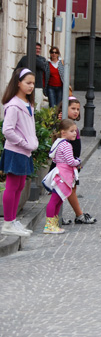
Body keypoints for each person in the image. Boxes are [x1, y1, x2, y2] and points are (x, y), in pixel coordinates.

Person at [0, 69, 38, 237]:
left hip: (25, 151)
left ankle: (12, 219)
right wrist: (23, 143)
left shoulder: (27, 104)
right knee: (13, 186)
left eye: (33, 83)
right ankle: (8, 223)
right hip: (16, 151)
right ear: (18, 83)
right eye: (28, 83)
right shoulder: (14, 105)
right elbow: (7, 130)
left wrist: (31, 143)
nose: (31, 86)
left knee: (20, 186)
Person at [53, 97, 96, 225]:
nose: (76, 111)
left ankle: (59, 217)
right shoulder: (64, 126)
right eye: (73, 108)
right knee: (68, 190)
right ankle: (79, 215)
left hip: (72, 164)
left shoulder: (72, 125)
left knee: (70, 190)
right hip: (66, 165)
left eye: (78, 109)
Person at [42, 119, 81, 234]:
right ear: (63, 132)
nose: (75, 133)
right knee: (55, 200)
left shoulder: (58, 143)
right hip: (63, 176)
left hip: (59, 173)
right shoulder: (67, 145)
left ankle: (53, 224)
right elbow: (70, 161)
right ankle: (49, 225)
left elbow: (55, 158)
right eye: (72, 131)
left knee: (58, 200)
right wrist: (78, 161)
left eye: (75, 131)